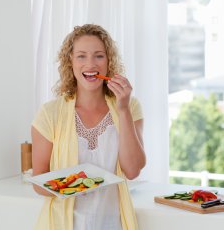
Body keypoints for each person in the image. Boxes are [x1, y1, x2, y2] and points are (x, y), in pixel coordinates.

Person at [31, 24, 145, 230]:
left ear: (109, 62)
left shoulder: (130, 106)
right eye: (81, 56)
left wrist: (123, 110)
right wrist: (72, 186)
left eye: (99, 56)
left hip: (113, 223)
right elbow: (39, 181)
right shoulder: (50, 113)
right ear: (70, 62)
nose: (90, 64)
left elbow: (133, 169)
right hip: (62, 224)